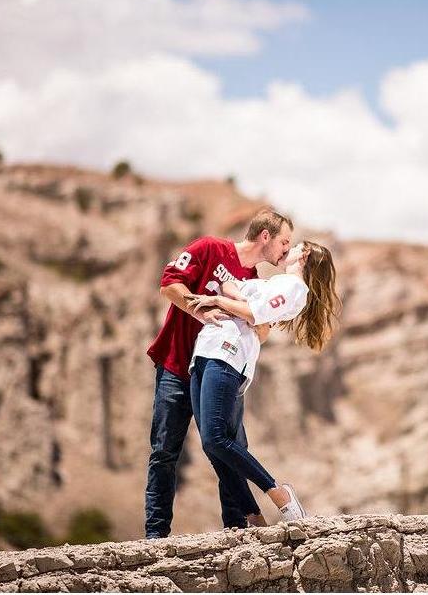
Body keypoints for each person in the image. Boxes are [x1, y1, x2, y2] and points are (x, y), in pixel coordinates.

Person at [144, 209, 293, 539]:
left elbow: (263, 331)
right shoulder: (209, 248)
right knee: (164, 450)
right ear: (265, 236)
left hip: (220, 369)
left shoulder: (254, 282)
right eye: (284, 241)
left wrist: (248, 313)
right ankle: (155, 537)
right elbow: (169, 284)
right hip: (176, 365)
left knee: (227, 446)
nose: (287, 250)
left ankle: (237, 528)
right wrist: (201, 309)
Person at [186, 240, 341, 521]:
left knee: (216, 438)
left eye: (294, 246)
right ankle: (253, 517)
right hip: (206, 350)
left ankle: (278, 493)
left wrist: (225, 303)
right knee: (211, 445)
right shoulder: (273, 283)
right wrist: (241, 304)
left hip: (229, 354)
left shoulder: (295, 289)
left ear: (304, 255)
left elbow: (254, 314)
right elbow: (229, 287)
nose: (286, 249)